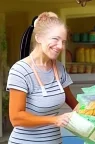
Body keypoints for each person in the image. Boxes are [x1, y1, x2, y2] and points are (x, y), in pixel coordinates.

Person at [6, 12, 78, 144]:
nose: (60, 46)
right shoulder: (20, 70)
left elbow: (74, 104)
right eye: (55, 39)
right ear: (39, 37)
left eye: (63, 41)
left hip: (55, 141)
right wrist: (54, 120)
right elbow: (16, 118)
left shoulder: (59, 68)